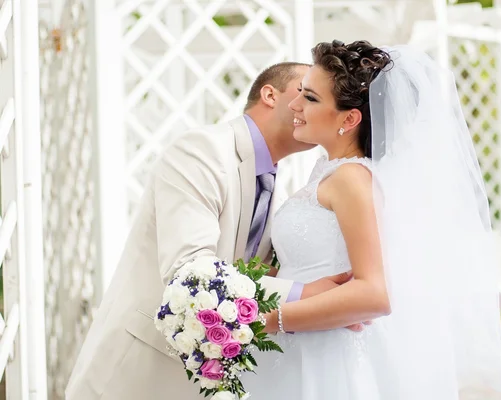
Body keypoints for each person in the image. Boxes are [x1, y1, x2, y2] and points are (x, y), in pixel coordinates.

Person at [65, 61, 356, 399]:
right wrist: (306, 293)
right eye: (304, 92)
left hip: (204, 378)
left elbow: (246, 270)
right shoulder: (202, 152)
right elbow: (192, 271)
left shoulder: (277, 180)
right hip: (137, 375)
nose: (309, 104)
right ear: (270, 95)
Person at [242, 40, 501, 399]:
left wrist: (267, 322)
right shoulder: (330, 171)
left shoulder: (351, 179)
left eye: (309, 98)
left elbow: (373, 294)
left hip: (328, 358)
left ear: (349, 119)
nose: (295, 104)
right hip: (303, 348)